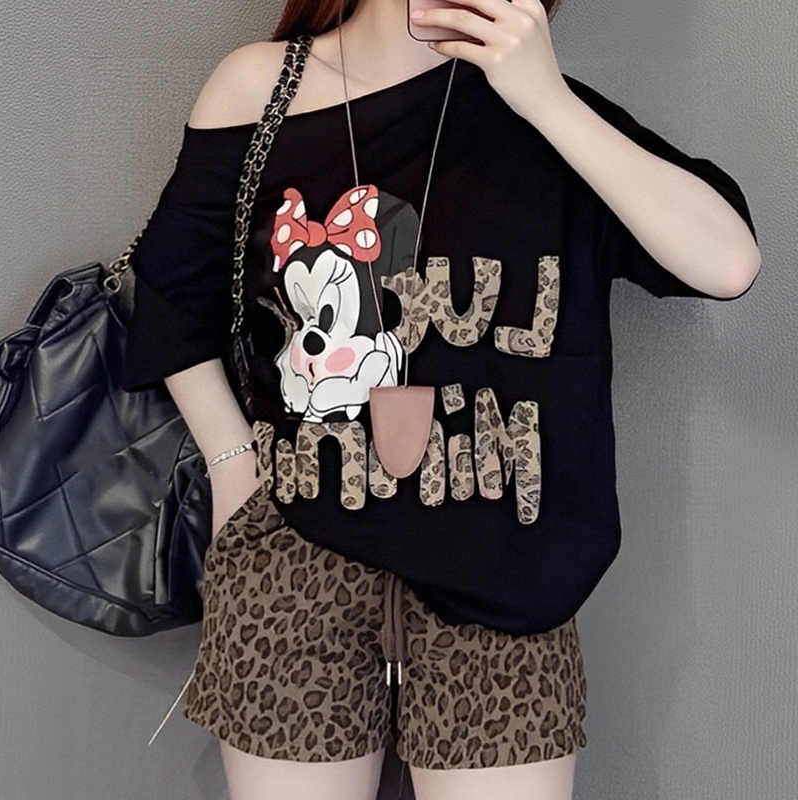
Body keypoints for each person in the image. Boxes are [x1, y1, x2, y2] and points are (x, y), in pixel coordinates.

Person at [121, 0, 761, 798]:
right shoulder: (263, 88)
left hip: (509, 577)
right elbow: (170, 299)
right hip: (295, 558)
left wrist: (546, 98)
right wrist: (232, 468)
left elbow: (728, 264)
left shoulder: (548, 117)